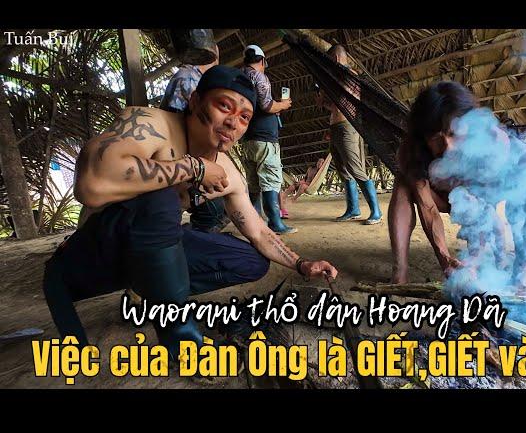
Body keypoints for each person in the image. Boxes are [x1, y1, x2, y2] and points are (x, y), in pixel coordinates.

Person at [42, 65, 338, 360]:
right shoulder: (151, 123)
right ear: (195, 101)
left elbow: (258, 231)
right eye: (224, 106)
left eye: (244, 117)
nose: (233, 122)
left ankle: (155, 294)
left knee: (251, 261)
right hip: (90, 257)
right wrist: (193, 168)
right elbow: (90, 185)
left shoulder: (227, 171)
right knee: (159, 199)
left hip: (143, 260)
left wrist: (301, 264)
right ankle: (184, 344)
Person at [389, 81, 526, 289]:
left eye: (453, 134)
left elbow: (482, 208)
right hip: (445, 198)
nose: (448, 147)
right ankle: (400, 271)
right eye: (437, 139)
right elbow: (428, 209)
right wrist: (445, 259)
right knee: (402, 183)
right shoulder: (413, 153)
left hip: (483, 199)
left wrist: (473, 261)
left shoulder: (493, 140)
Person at [159, 39, 229, 233]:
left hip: (188, 157)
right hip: (179, 156)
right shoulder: (188, 77)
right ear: (212, 57)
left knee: (216, 207)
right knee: (213, 211)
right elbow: (178, 123)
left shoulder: (193, 78)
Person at [316, 44, 382, 225]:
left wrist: (326, 87)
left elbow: (344, 96)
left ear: (336, 59)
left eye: (330, 62)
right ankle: (353, 209)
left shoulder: (350, 75)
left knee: (356, 168)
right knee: (343, 171)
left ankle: (376, 211)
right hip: (335, 126)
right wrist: (323, 99)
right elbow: (335, 105)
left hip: (348, 127)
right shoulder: (334, 78)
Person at [240, 44, 295, 234]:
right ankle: (275, 223)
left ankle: (254, 222)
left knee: (254, 182)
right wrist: (282, 104)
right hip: (265, 138)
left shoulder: (240, 77)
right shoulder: (259, 77)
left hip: (248, 138)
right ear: (262, 61)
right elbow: (267, 105)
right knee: (270, 180)